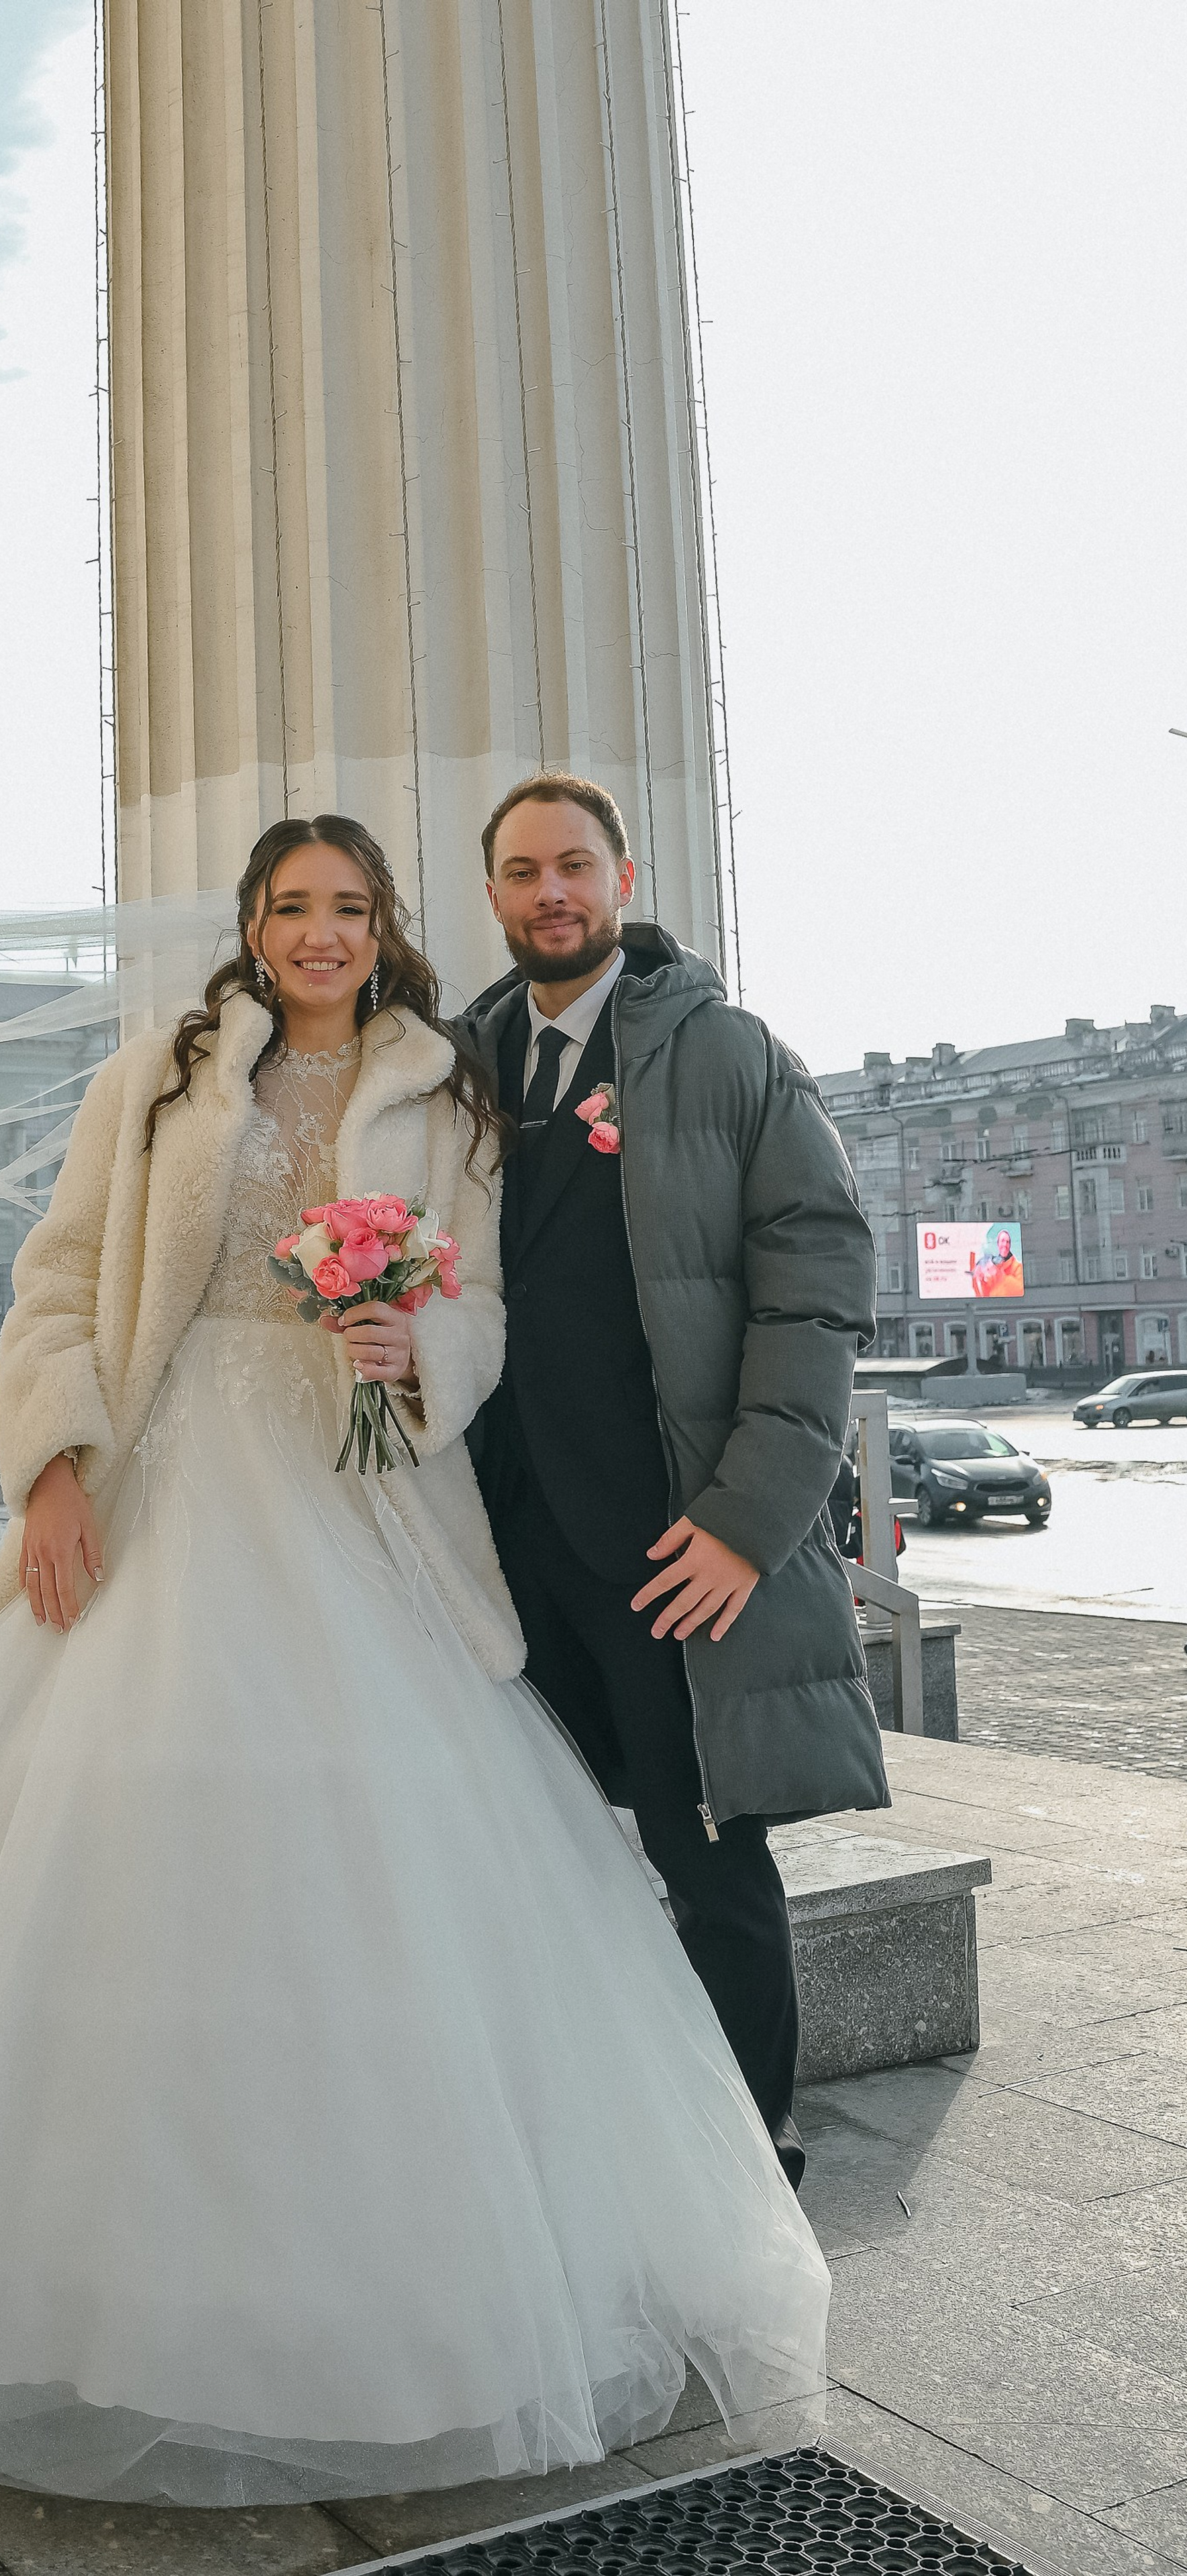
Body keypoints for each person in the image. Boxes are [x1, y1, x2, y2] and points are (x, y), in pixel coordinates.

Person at [0, 815, 829, 2506]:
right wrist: (53, 1467)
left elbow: (482, 1318)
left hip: (352, 1506)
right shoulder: (155, 1077)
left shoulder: (446, 1090)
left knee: (363, 1858)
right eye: (290, 907)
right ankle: (66, 2264)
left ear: (387, 928)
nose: (318, 934)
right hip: (159, 1491)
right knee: (100, 1841)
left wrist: (414, 1344)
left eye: (347, 909)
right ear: (250, 923)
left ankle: (365, 2267)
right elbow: (57, 1281)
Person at [463, 773, 890, 2190]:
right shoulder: (456, 1063)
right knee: (527, 1868)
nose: (550, 894)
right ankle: (585, 2160)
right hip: (493, 1546)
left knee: (708, 1867)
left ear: (621, 875)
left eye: (572, 865)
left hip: (670, 1543)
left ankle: (740, 2170)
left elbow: (817, 1293)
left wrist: (744, 1524)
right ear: (492, 894)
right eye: (521, 872)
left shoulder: (727, 1055)